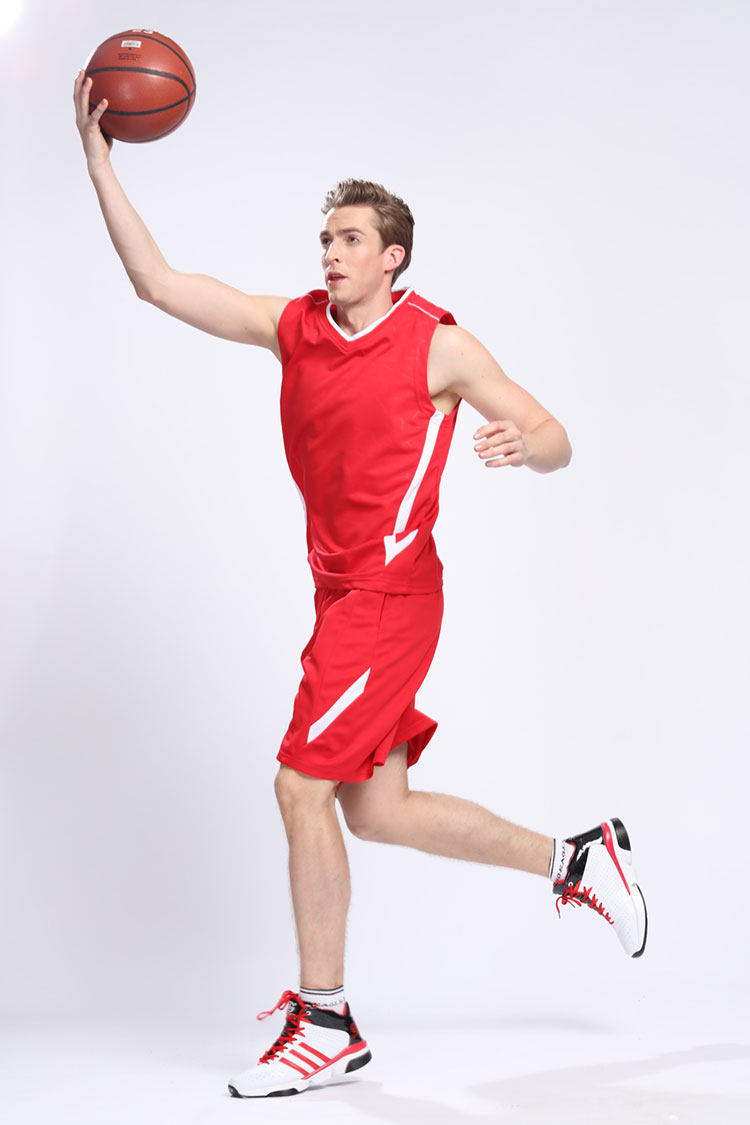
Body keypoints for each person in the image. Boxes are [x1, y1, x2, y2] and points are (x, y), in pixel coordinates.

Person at [74, 72, 648, 1100]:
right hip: (338, 599)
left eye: (348, 239)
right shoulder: (291, 325)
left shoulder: (438, 344)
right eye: (324, 237)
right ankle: (575, 857)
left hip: (391, 600)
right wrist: (100, 159)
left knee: (300, 784)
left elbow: (557, 432)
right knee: (376, 811)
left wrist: (530, 444)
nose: (328, 252)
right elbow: (158, 283)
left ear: (392, 257)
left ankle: (327, 1019)